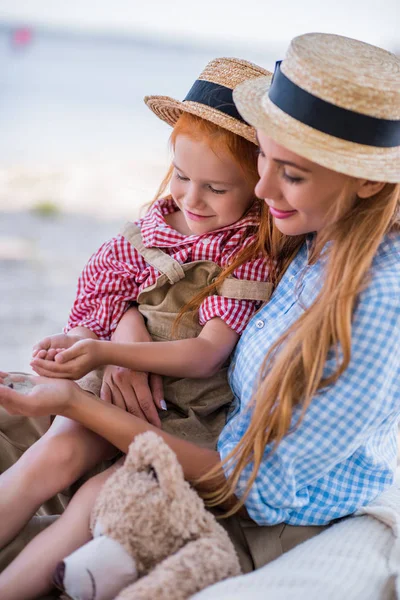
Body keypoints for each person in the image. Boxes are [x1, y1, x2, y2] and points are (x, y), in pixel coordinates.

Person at [0, 32, 399, 600]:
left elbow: (248, 483)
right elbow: (137, 284)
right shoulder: (310, 234)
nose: (261, 189)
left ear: (366, 179)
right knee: (51, 448)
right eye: (263, 156)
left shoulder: (372, 303)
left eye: (291, 173)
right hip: (188, 422)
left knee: (91, 490)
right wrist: (125, 332)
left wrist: (77, 397)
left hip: (240, 486)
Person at [0, 57, 273, 561]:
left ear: (258, 183)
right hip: (107, 380)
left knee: (96, 498)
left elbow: (207, 355)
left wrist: (107, 347)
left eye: (216, 188)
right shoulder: (151, 227)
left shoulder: (245, 252)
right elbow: (99, 298)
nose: (193, 199)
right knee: (54, 454)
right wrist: (80, 339)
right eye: (182, 175)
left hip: (180, 408)